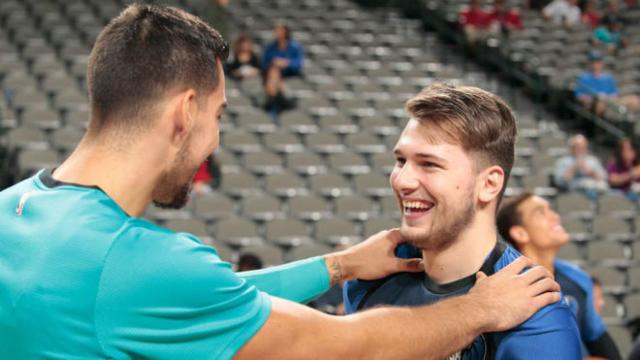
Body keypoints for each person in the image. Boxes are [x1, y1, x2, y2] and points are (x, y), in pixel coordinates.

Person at [0, 5, 562, 359]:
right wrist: (478, 311)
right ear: (184, 112)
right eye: (218, 116)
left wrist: (338, 266)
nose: (216, 140)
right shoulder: (139, 263)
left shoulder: (12, 209)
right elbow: (347, 346)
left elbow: (206, 298)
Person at [343, 84, 581, 359]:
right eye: (400, 160)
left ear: (489, 184)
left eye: (429, 164)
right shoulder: (369, 280)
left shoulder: (534, 315)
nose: (402, 180)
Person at [497, 192, 621, 359]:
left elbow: (604, 347)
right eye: (541, 212)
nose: (555, 216)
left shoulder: (579, 279)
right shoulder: (502, 283)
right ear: (520, 233)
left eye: (551, 210)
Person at [574, 51, 640, 115]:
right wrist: (594, 98)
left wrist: (607, 97)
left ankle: (630, 120)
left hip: (610, 101)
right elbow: (579, 96)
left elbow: (614, 94)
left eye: (598, 62)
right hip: (594, 104)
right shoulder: (584, 77)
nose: (596, 64)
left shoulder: (608, 77)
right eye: (593, 62)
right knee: (600, 102)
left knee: (634, 99)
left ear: (601, 63)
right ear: (590, 63)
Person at [553, 134, 608, 200]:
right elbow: (560, 181)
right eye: (578, 147)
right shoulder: (563, 161)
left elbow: (604, 178)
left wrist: (592, 172)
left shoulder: (593, 160)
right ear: (572, 148)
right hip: (574, 192)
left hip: (596, 190)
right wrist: (574, 167)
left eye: (583, 148)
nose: (581, 150)